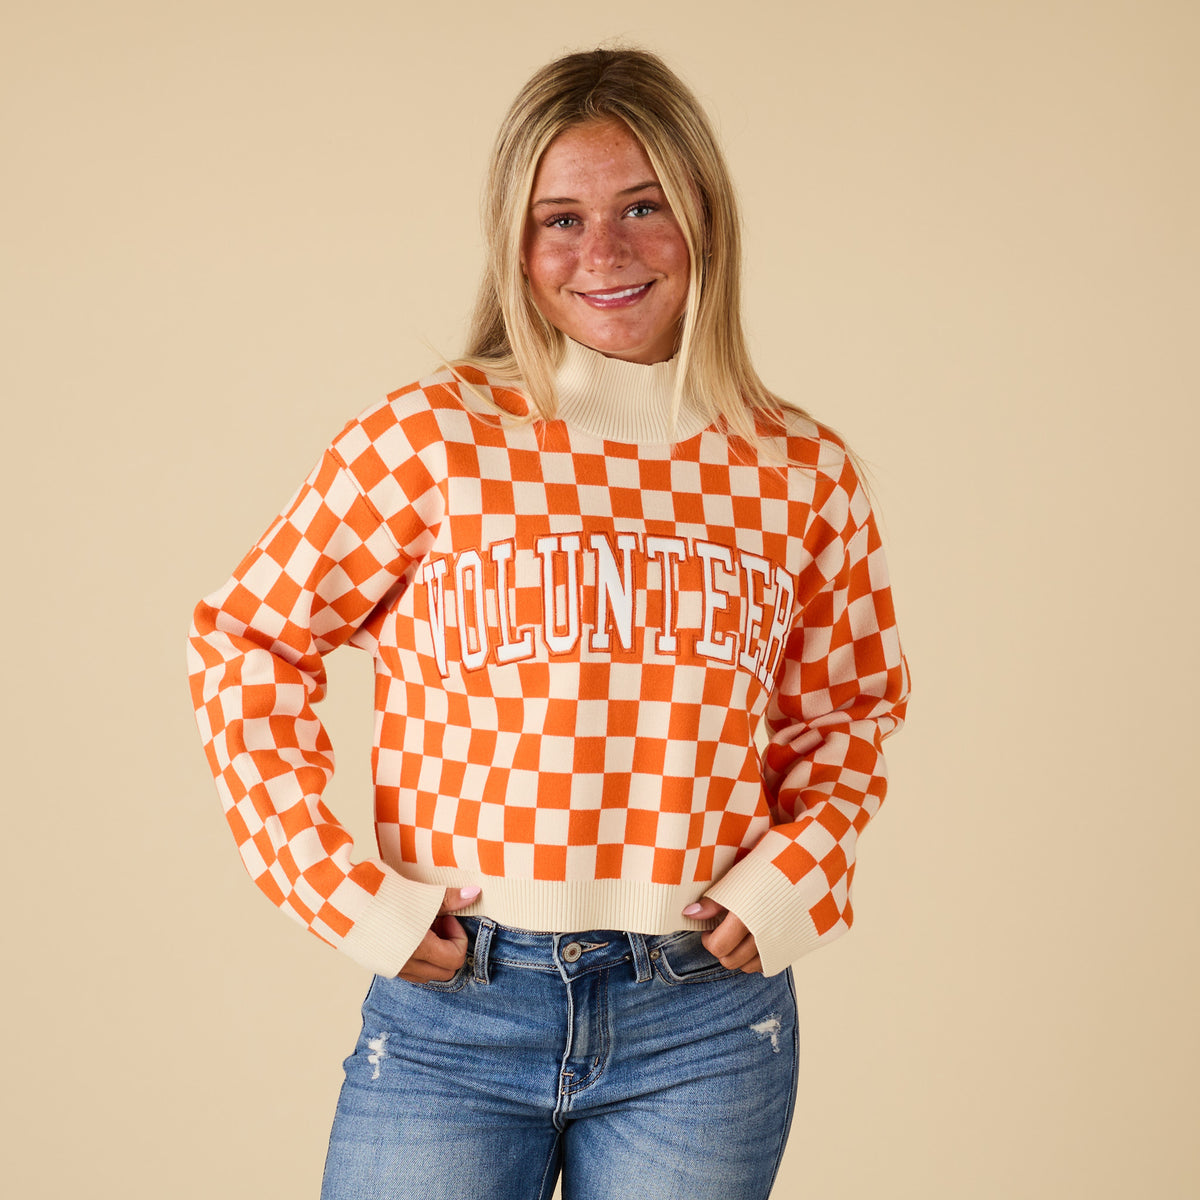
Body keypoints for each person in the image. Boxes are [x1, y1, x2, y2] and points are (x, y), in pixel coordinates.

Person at [188, 46, 909, 1200]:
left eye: (642, 207)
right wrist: (338, 889)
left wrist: (790, 880)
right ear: (513, 242)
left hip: (705, 1026)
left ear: (704, 218)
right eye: (559, 218)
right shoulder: (432, 439)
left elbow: (852, 710)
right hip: (456, 1010)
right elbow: (247, 640)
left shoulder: (800, 470)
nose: (604, 253)